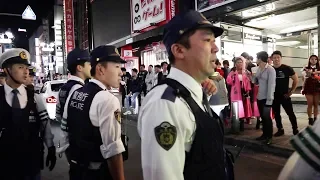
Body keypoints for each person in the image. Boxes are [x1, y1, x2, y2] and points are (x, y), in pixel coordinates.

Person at [138, 10, 234, 180]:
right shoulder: (165, 105)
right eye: (207, 40)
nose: (215, 47)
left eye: (214, 41)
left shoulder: (195, 93)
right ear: (179, 50)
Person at [62, 45, 126, 180]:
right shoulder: (108, 100)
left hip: (76, 171)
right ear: (100, 69)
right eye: (117, 67)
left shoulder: (75, 93)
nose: (121, 72)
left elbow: (66, 134)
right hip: (98, 173)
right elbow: (113, 150)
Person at [0, 48, 56, 179]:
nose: (26, 72)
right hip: (5, 165)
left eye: (26, 67)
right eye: (20, 67)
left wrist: (51, 148)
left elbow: (45, 126)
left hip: (31, 164)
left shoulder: (35, 98)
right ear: (7, 69)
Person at [271, 50, 299, 136]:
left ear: (281, 58)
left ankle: (295, 128)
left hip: (285, 95)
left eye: (278, 57)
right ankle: (280, 129)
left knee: (290, 113)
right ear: (272, 59)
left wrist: (291, 91)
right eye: (274, 58)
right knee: (276, 114)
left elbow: (296, 79)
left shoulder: (287, 68)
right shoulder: (270, 69)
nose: (276, 59)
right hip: (274, 96)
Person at [254, 51, 276, 145]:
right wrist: (252, 77)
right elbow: (256, 82)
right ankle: (264, 134)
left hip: (267, 98)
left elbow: (272, 85)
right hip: (260, 96)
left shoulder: (270, 69)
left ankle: (269, 137)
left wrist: (269, 100)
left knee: (267, 118)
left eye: (257, 58)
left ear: (259, 58)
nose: (256, 59)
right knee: (263, 117)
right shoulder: (258, 68)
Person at [227, 56, 252, 131]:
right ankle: (235, 125)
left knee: (243, 107)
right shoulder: (232, 72)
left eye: (241, 62)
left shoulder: (246, 72)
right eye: (238, 62)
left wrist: (247, 90)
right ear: (235, 64)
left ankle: (242, 125)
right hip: (235, 92)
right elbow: (228, 81)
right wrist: (233, 78)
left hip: (244, 92)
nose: (240, 64)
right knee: (236, 108)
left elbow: (249, 81)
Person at [301, 55, 320, 125]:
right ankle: (310, 118)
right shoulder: (306, 68)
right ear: (309, 60)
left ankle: (315, 118)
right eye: (312, 59)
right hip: (308, 88)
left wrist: (315, 73)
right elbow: (304, 77)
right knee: (310, 103)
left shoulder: (319, 68)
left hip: (317, 88)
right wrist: (308, 73)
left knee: (316, 104)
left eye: (315, 59)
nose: (314, 60)